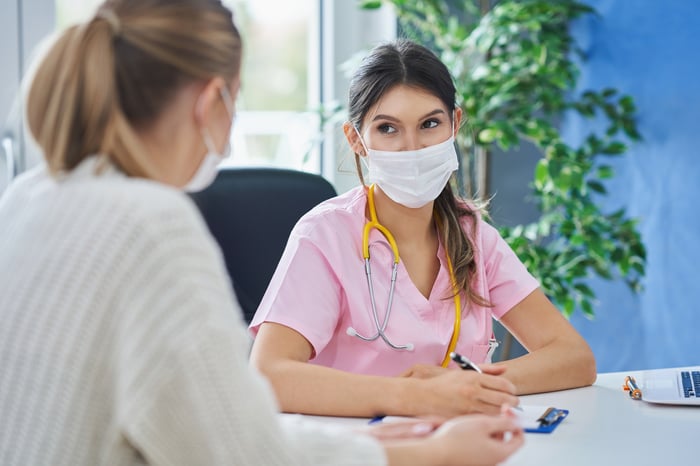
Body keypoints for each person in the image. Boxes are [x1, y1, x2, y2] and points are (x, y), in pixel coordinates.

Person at [0, 2, 524, 465]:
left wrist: (395, 446)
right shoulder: (153, 225)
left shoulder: (28, 197)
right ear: (212, 102)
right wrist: (428, 455)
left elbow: (210, 436)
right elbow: (240, 451)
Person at [249, 39, 597, 418]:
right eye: (388, 128)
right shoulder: (325, 236)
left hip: (453, 445)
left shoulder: (472, 236)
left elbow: (574, 358)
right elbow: (268, 376)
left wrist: (468, 383)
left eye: (430, 124)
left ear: (455, 124)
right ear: (356, 139)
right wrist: (411, 397)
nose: (412, 148)